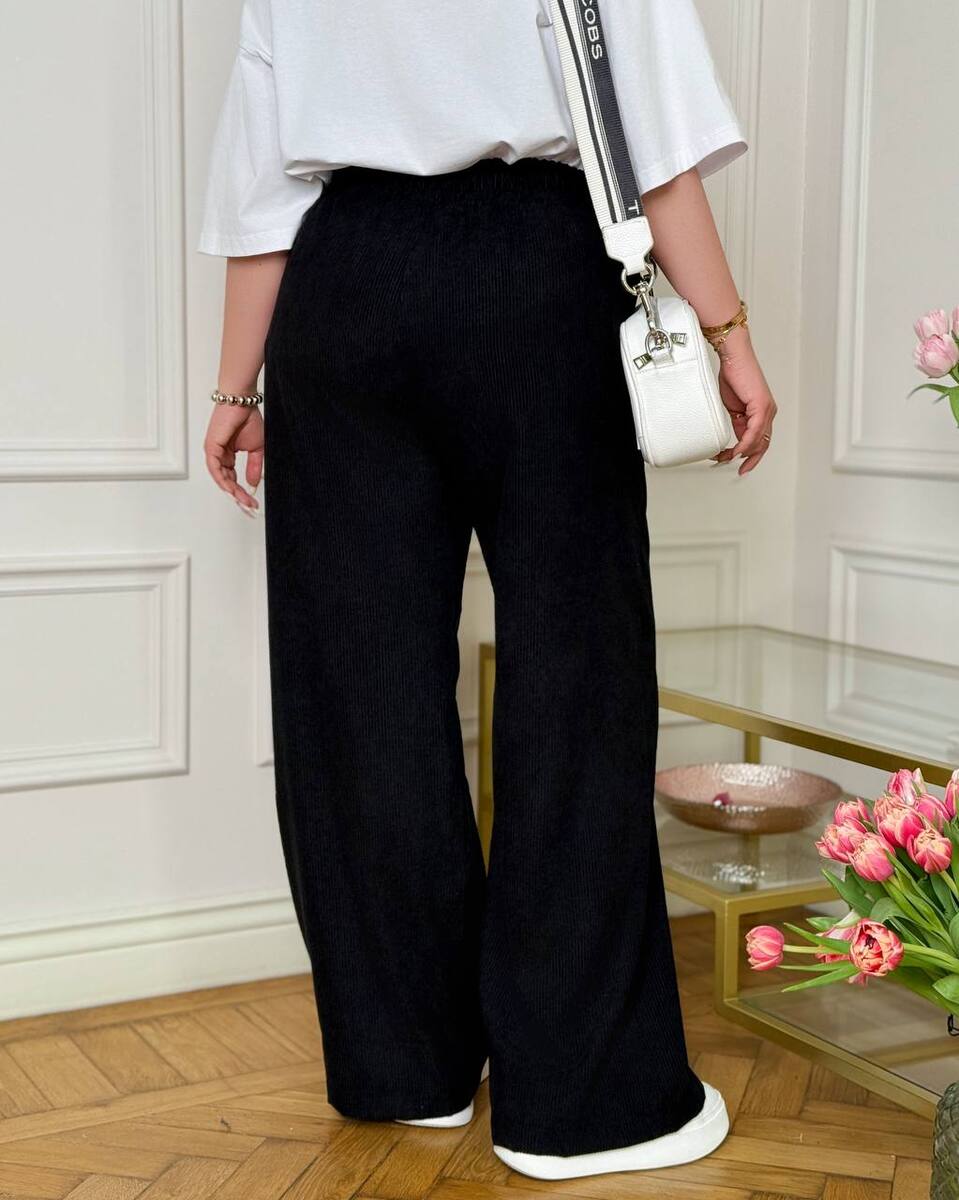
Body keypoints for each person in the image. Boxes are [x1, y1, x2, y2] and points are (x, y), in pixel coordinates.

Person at [197, 0, 777, 1182]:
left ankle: (405, 1066)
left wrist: (234, 386)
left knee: (359, 691)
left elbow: (264, 188)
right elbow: (652, 146)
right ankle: (585, 1104)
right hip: (536, 273)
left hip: (342, 286)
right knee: (575, 677)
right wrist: (728, 333)